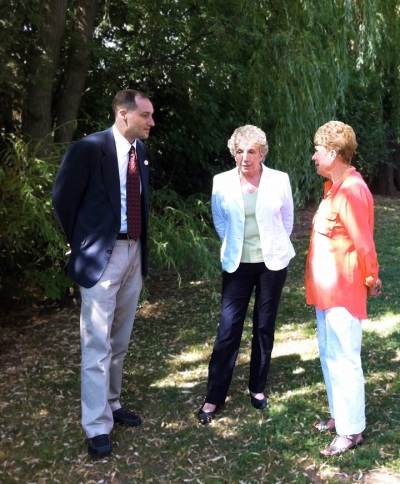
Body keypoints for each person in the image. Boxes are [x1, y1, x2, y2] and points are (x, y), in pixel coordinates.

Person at [52, 89, 155, 457]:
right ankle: (96, 426)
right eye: (145, 115)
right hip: (102, 256)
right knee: (96, 343)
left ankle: (112, 403)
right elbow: (63, 200)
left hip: (133, 252)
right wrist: (84, 243)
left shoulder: (140, 153)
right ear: (123, 114)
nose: (151, 122)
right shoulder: (88, 149)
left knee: (120, 339)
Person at [197, 124, 295, 424]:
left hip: (272, 265)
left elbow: (286, 219)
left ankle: (257, 388)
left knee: (264, 327)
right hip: (237, 264)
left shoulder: (279, 180)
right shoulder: (222, 181)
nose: (245, 157)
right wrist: (234, 246)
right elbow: (220, 220)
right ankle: (214, 397)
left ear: (262, 153)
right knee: (228, 329)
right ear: (233, 153)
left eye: (251, 151)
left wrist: (273, 247)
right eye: (240, 151)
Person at [306, 120, 382, 456]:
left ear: (334, 153)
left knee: (345, 358)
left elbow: (364, 243)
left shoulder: (351, 190)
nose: (313, 157)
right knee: (330, 356)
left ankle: (352, 431)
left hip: (344, 290)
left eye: (318, 151)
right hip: (326, 290)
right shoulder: (334, 188)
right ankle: (340, 415)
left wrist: (371, 278)